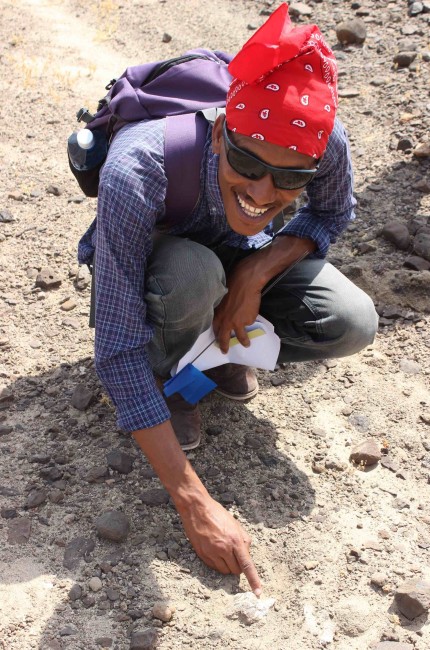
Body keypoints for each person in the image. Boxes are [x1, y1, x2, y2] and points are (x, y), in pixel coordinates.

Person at [78, 4, 378, 595]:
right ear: (220, 133)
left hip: (241, 268)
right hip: (167, 274)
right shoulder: (139, 168)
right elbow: (114, 346)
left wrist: (258, 273)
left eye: (289, 177)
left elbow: (334, 210)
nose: (263, 192)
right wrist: (194, 502)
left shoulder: (325, 142)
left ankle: (220, 348)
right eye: (245, 162)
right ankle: (171, 375)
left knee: (351, 321)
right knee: (193, 272)